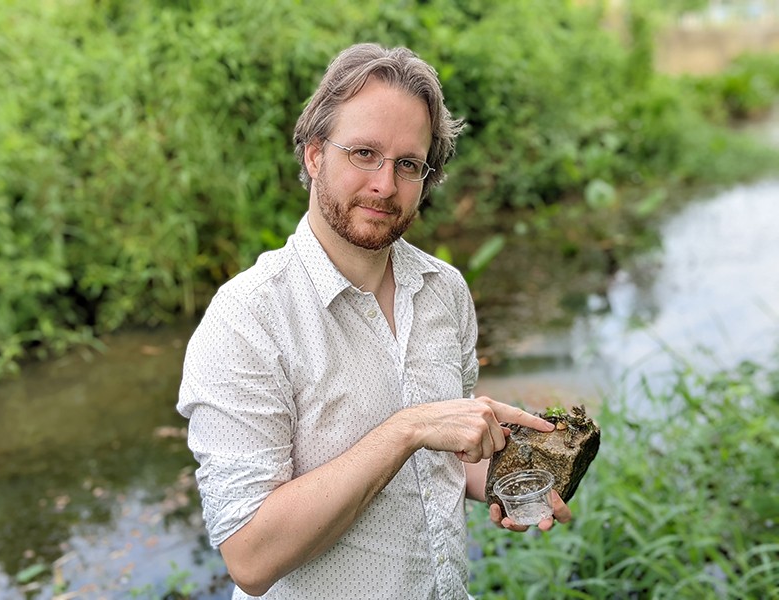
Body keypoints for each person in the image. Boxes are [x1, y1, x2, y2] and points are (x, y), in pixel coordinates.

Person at [178, 43, 571, 600]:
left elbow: (443, 461)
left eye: (407, 164)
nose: (385, 184)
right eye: (364, 153)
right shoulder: (246, 319)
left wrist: (511, 479)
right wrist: (406, 430)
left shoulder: (444, 291)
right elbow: (250, 556)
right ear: (315, 155)